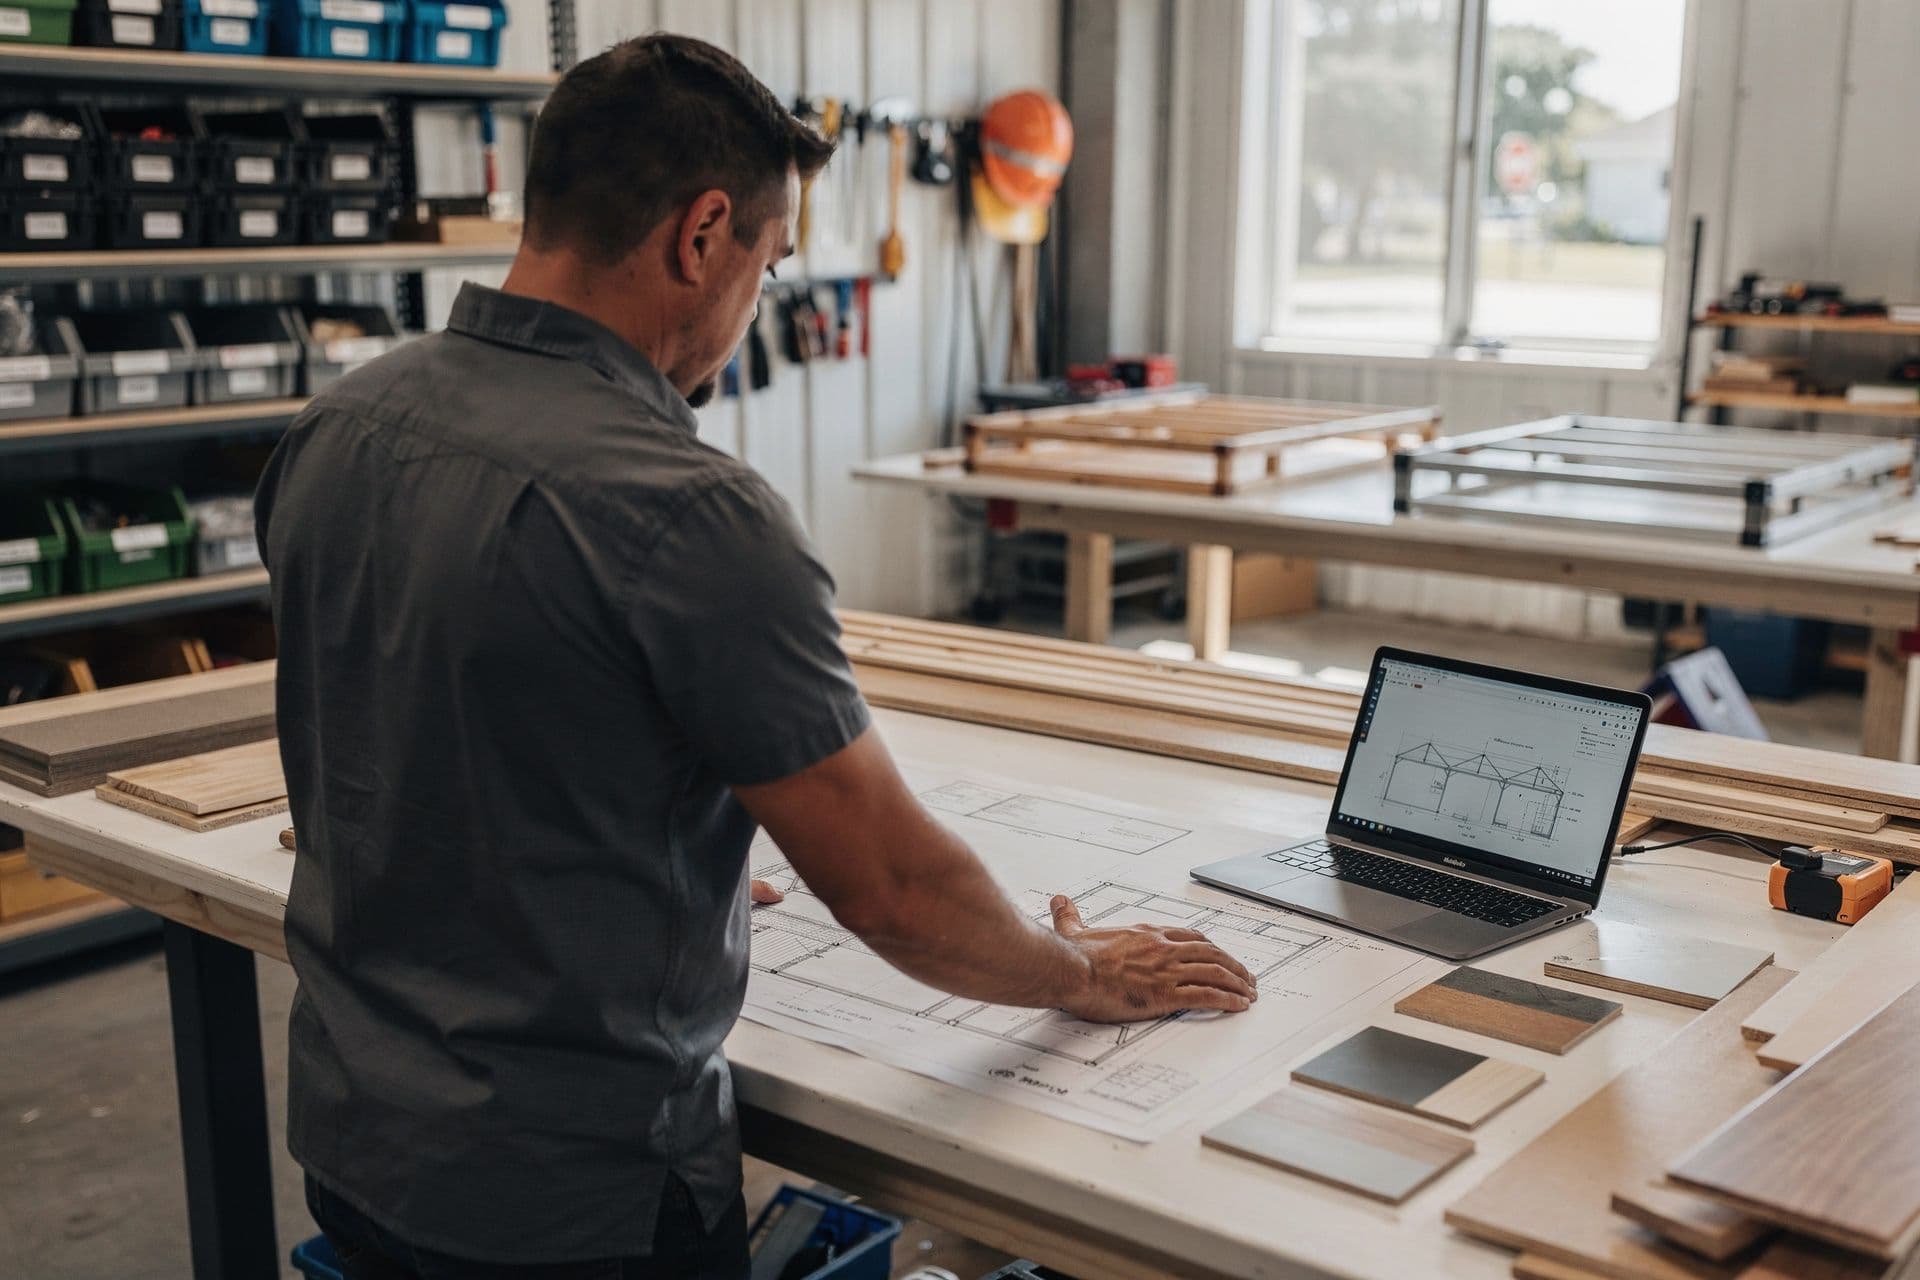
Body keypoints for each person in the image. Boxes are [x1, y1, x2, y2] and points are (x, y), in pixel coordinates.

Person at [256, 32, 1256, 1280]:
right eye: (768, 267)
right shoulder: (687, 510)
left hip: (358, 1148)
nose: (750, 311)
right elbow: (890, 886)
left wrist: (653, 857)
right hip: (578, 1207)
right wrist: (1074, 970)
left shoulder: (338, 427)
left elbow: (413, 732)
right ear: (702, 234)